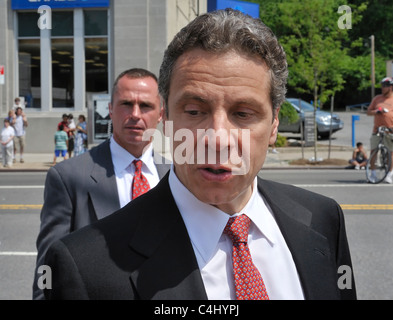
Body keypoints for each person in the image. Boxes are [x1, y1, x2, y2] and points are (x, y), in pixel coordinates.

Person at [43, 9, 356, 300]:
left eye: (243, 113)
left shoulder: (323, 220)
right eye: (194, 111)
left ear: (274, 124)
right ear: (166, 120)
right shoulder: (84, 267)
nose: (217, 138)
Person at [33, 68, 171, 299]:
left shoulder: (175, 176)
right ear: (110, 109)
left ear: (161, 114)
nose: (135, 114)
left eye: (145, 106)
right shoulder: (68, 176)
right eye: (126, 104)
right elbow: (48, 263)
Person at [366, 77, 393, 183]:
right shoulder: (377, 98)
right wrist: (377, 111)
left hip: (390, 130)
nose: (382, 88)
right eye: (382, 86)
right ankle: (372, 174)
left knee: (391, 153)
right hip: (377, 130)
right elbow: (368, 112)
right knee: (373, 150)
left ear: (390, 87)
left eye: (384, 86)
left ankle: (389, 174)